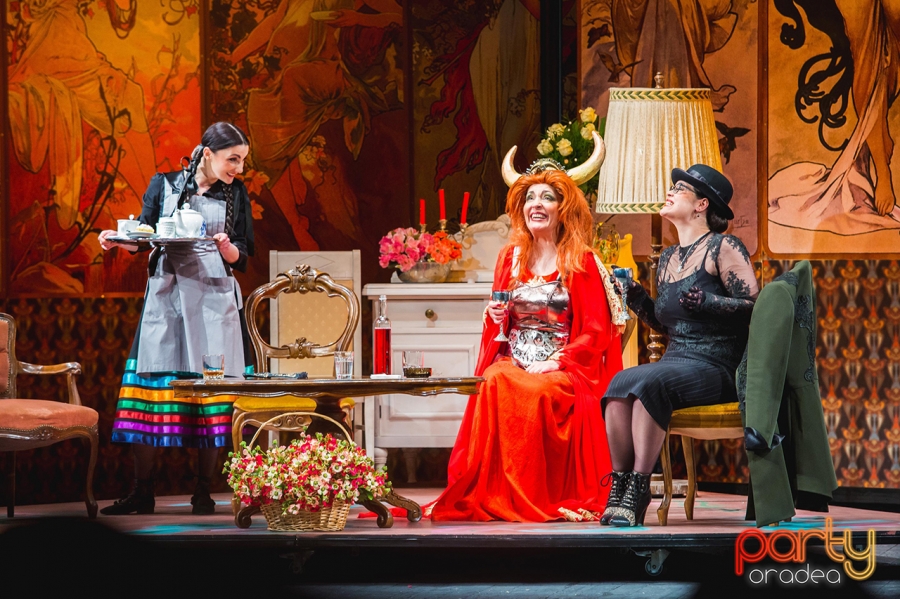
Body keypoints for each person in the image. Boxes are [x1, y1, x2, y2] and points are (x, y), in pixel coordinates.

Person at [429, 133, 628, 522]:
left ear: (563, 208)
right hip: (514, 359)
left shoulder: (581, 260)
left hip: (564, 367)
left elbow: (595, 331)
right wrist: (495, 316)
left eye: (547, 198)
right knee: (493, 381)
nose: (536, 204)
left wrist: (557, 361)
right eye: (530, 198)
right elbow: (500, 319)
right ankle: (498, 494)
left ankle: (531, 494)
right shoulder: (509, 257)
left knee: (537, 393)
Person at [96, 122, 256, 515]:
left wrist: (226, 248)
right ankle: (142, 491)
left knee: (212, 391)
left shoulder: (236, 193)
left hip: (214, 298)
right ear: (208, 153)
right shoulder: (163, 184)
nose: (238, 168)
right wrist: (117, 239)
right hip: (167, 296)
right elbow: (143, 236)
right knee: (153, 386)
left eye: (242, 160)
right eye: (232, 159)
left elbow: (244, 253)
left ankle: (203, 490)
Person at [600, 164, 758, 527]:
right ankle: (620, 486)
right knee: (619, 384)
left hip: (718, 365)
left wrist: (710, 302)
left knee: (650, 383)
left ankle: (639, 488)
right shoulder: (669, 258)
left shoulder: (724, 246)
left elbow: (755, 307)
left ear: (702, 204)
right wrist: (637, 297)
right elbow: (666, 323)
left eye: (680, 189)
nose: (670, 192)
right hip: (679, 359)